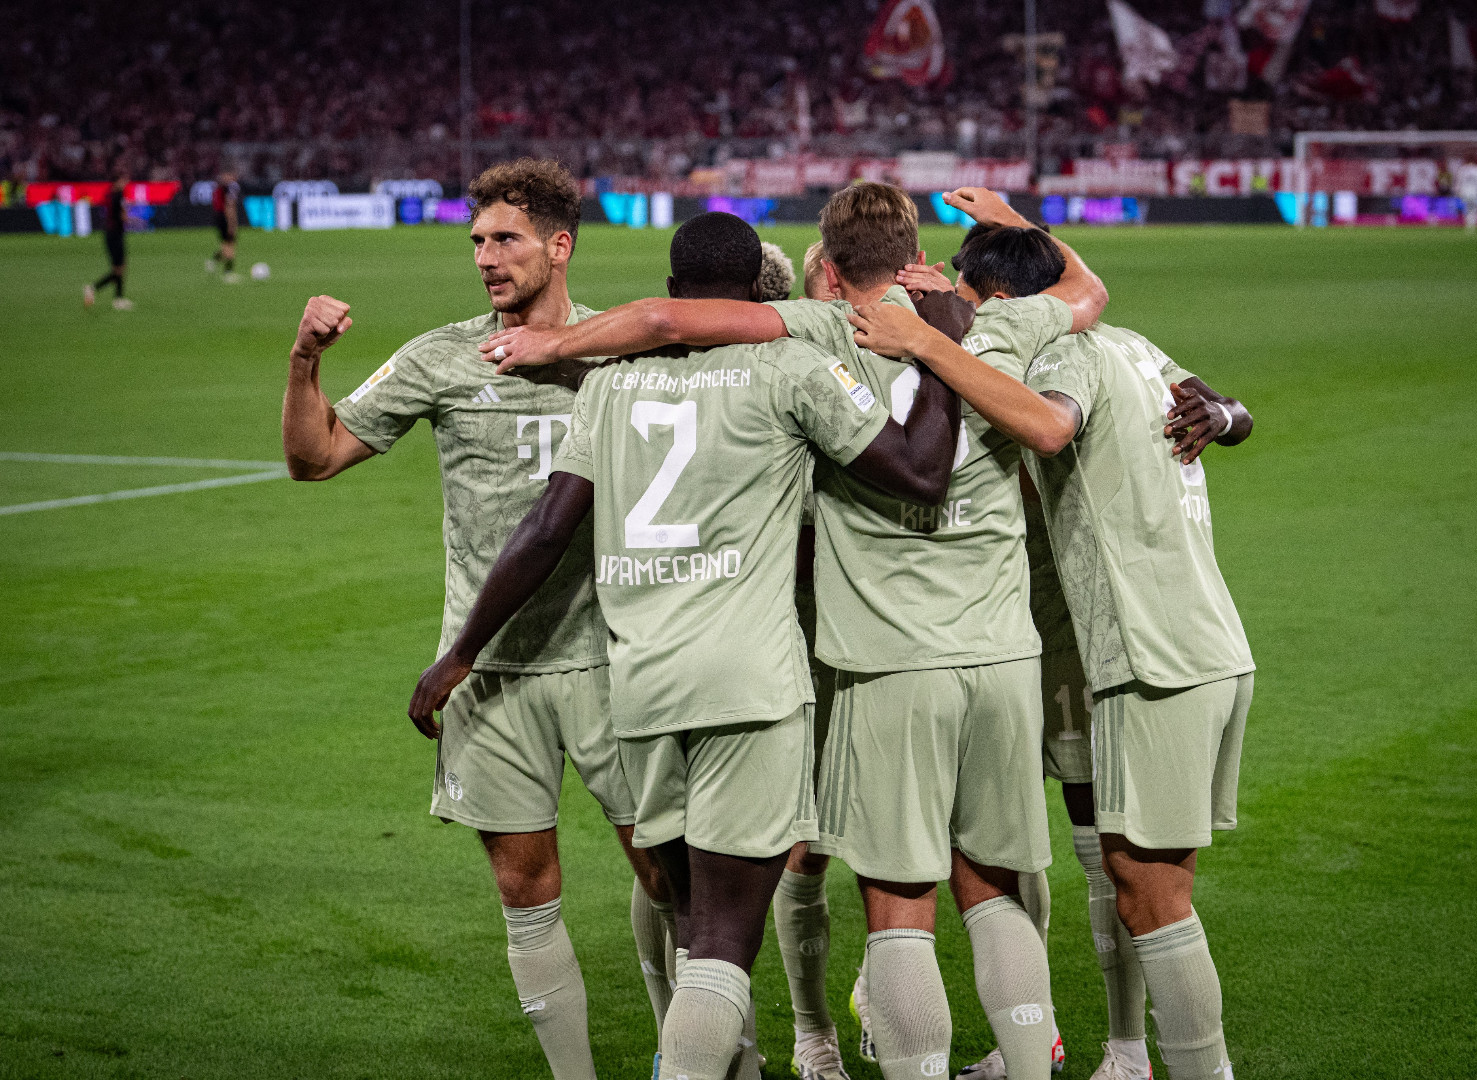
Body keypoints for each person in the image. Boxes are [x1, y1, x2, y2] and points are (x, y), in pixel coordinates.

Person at [476, 182, 1109, 1080]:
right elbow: (1085, 293)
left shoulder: (820, 336)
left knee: (883, 912)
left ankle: (802, 1044)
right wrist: (1006, 229)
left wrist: (557, 342)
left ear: (829, 269)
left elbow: (665, 321)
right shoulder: (1006, 327)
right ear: (916, 255)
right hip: (1003, 653)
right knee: (996, 890)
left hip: (869, 664)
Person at [408, 209, 967, 1080]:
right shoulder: (788, 366)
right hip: (748, 687)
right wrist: (942, 355)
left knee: (690, 916)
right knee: (720, 945)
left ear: (676, 290)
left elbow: (547, 528)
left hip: (640, 686)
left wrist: (460, 653)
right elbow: (920, 473)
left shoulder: (610, 385)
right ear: (754, 296)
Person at [279, 158, 679, 1080]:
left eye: (506, 239)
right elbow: (314, 457)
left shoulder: (622, 348)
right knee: (524, 889)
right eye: (477, 242)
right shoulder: (441, 357)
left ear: (559, 245)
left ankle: (687, 1055)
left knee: (669, 873)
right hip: (491, 675)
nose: (486, 258)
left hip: (615, 659)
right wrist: (304, 360)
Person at [849, 195, 1256, 1080]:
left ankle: (1176, 1064)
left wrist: (927, 342)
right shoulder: (1134, 346)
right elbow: (1227, 407)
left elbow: (1046, 424)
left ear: (1002, 302)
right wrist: (1226, 417)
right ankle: (1113, 1054)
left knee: (1152, 894)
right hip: (1195, 640)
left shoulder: (1062, 354)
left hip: (1149, 652)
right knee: (1123, 872)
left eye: (967, 296)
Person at [84, 173, 133, 311]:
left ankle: (117, 298)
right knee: (119, 268)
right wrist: (134, 220)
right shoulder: (119, 195)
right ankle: (96, 289)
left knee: (118, 268)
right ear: (118, 181)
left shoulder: (109, 194)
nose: (125, 183)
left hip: (109, 233)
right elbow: (123, 215)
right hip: (116, 234)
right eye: (123, 181)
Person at [209, 171, 242, 281]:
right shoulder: (230, 188)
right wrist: (232, 223)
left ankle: (214, 260)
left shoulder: (219, 187)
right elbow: (230, 206)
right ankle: (228, 273)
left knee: (226, 245)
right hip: (224, 218)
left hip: (219, 217)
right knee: (230, 245)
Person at [1456, 157, 1477, 232]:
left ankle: (1468, 225)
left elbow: (1459, 182)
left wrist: (1457, 191)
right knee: (1475, 209)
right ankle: (1473, 225)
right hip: (1475, 193)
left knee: (1467, 209)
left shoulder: (1463, 169)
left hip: (1465, 192)